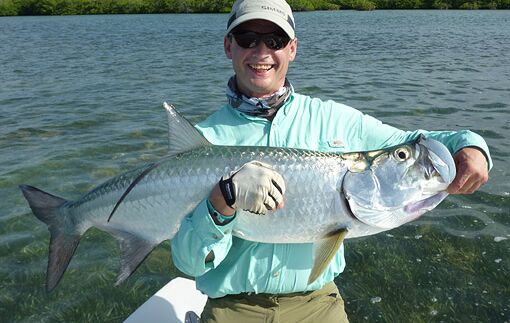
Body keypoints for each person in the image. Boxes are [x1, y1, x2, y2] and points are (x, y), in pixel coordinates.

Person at [171, 0, 491, 322]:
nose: (262, 51)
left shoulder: (336, 120)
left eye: (275, 41)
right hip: (233, 309)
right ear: (229, 46)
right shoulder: (204, 140)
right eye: (247, 38)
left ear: (292, 49)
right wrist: (222, 200)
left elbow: (416, 143)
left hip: (319, 306)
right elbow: (189, 263)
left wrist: (470, 146)